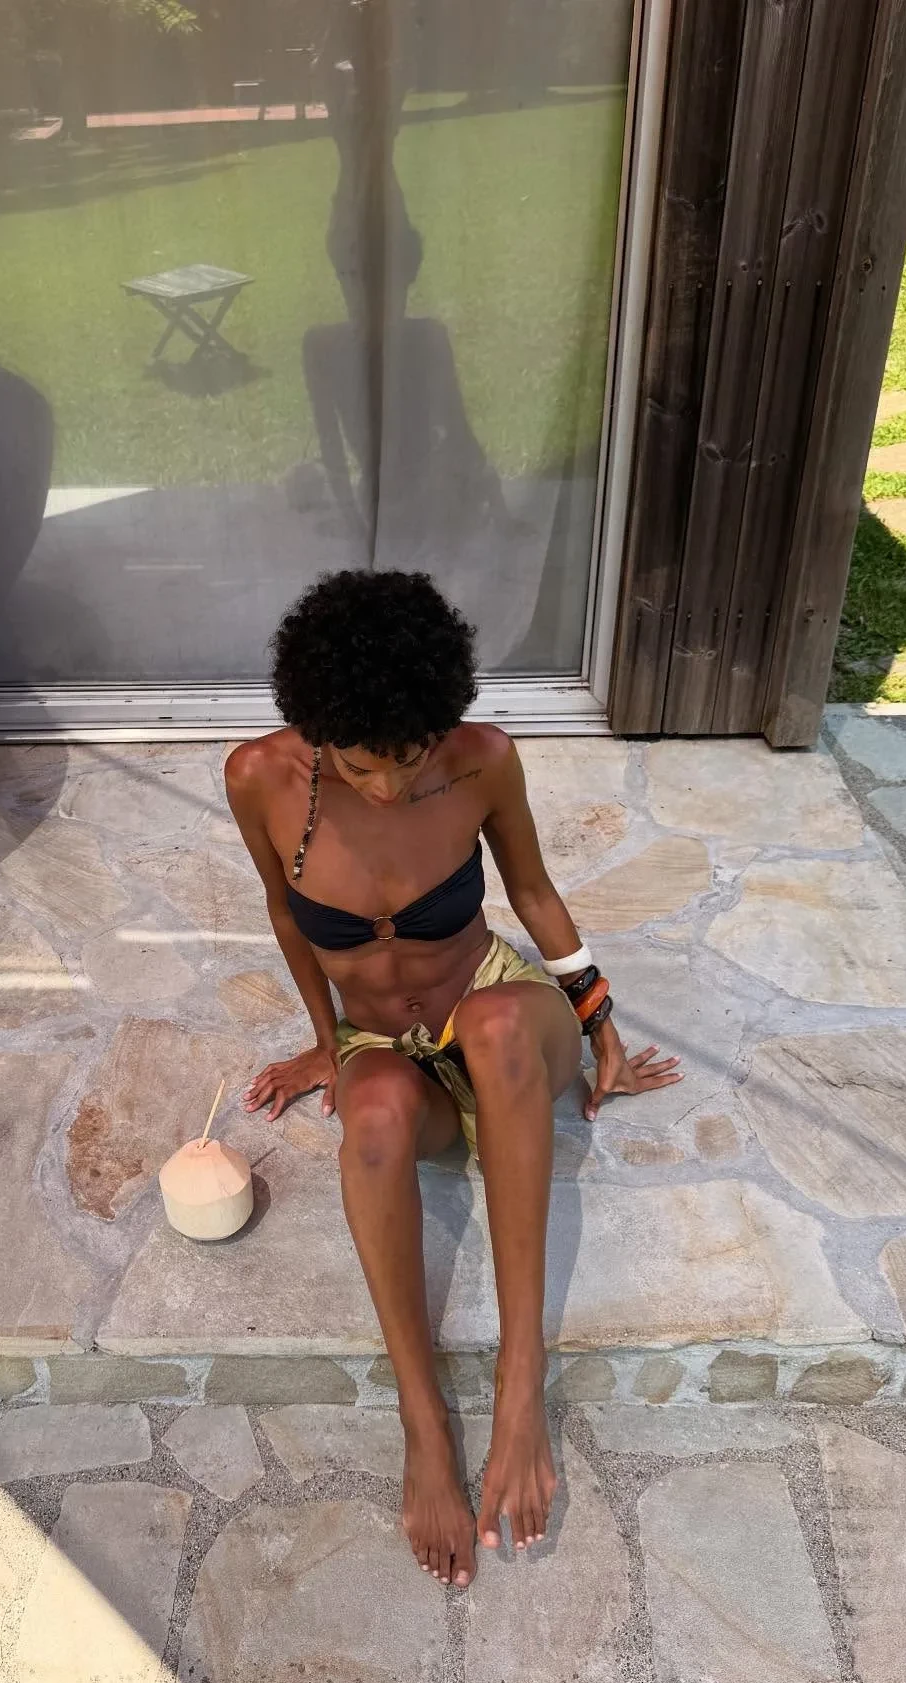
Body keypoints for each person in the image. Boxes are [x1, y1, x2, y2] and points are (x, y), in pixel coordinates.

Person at [226, 570, 681, 1588]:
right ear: (315, 732)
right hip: (387, 1041)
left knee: (499, 1023)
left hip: (495, 1009)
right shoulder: (258, 777)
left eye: (410, 757)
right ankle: (422, 1421)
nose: (389, 786)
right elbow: (286, 916)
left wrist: (599, 1020)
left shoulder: (483, 760)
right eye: (360, 765)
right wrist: (326, 1040)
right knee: (376, 1115)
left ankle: (522, 1385)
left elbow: (534, 893)